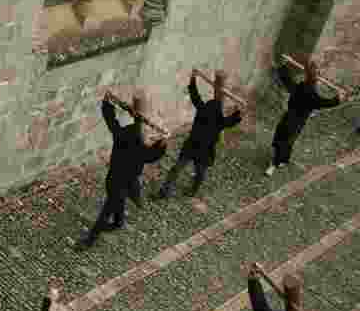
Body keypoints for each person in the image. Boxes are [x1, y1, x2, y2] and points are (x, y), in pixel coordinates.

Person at [82, 93, 167, 248]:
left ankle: (101, 233)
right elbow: (153, 155)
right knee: (112, 206)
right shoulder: (142, 147)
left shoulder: (121, 134)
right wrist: (163, 143)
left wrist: (106, 104)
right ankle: (107, 229)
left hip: (116, 179)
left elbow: (111, 120)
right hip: (124, 181)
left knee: (111, 207)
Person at [157, 70, 241, 199]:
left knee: (184, 170)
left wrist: (192, 80)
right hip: (200, 149)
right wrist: (238, 112)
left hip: (197, 148)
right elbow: (232, 120)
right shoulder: (219, 120)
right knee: (196, 173)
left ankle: (170, 191)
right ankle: (176, 191)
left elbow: (195, 95)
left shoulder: (204, 110)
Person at [266, 59, 341, 176]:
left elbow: (289, 84)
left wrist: (283, 68)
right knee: (288, 141)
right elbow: (325, 103)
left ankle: (274, 164)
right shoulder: (309, 91)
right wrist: (337, 99)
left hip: (292, 120)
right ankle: (284, 160)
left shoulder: (305, 90)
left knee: (283, 140)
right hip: (297, 120)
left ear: (307, 76)